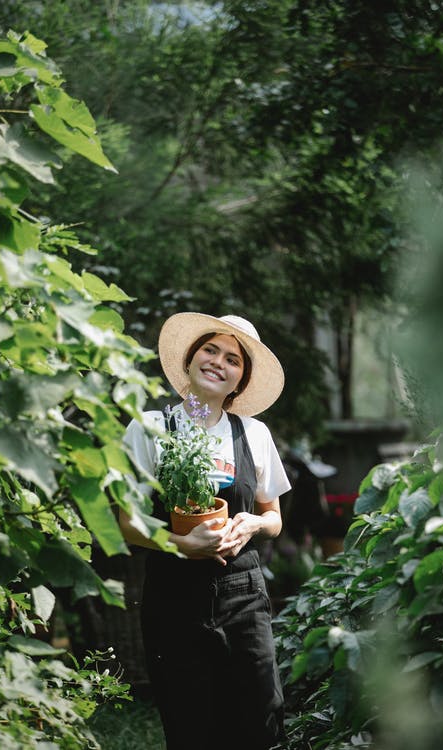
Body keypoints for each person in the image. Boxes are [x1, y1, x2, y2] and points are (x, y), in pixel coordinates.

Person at [119, 312, 291, 750]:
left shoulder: (254, 434)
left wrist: (253, 523)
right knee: (190, 723)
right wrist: (181, 543)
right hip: (174, 595)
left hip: (243, 594)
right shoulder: (150, 429)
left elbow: (274, 518)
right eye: (210, 350)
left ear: (240, 381)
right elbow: (126, 524)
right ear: (190, 360)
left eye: (233, 359)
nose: (218, 362)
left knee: (260, 721)